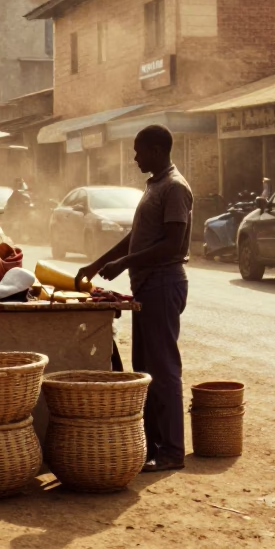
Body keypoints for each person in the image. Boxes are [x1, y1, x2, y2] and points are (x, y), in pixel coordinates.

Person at [78, 124, 192, 473]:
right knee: (144, 368)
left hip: (163, 283)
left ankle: (172, 450)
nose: (135, 157)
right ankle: (151, 444)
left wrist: (124, 263)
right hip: (147, 285)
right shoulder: (155, 186)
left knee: (164, 368)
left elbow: (172, 244)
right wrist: (98, 263)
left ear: (157, 150)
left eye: (139, 150)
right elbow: (137, 237)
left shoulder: (174, 188)